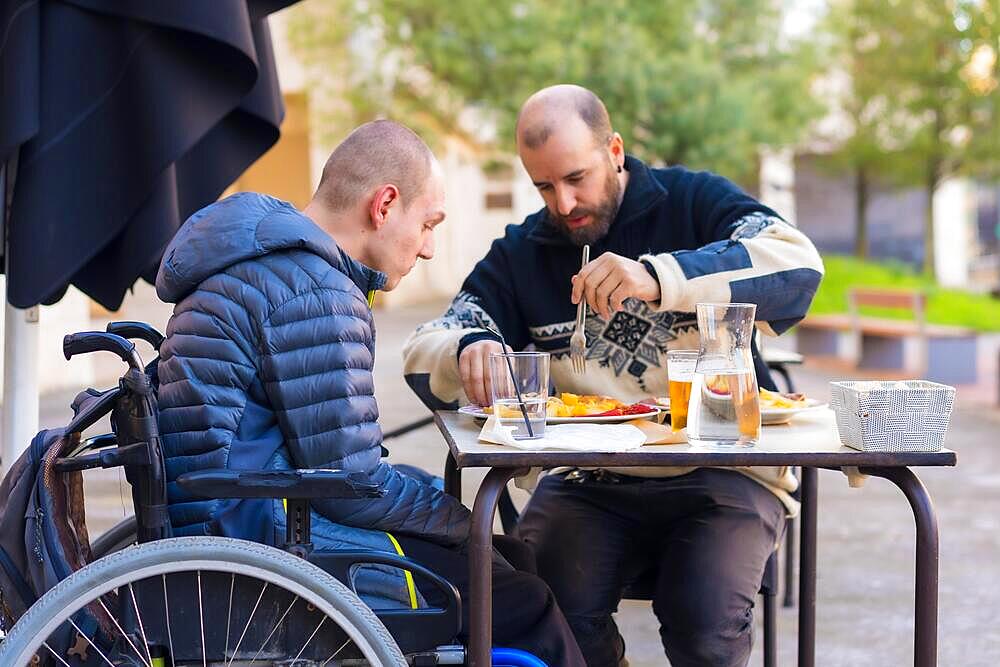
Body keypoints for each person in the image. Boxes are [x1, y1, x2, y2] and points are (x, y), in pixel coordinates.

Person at [403, 86, 825, 667]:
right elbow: (426, 347)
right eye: (544, 186)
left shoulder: (694, 202)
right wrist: (469, 347)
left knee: (704, 623)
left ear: (616, 151)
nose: (564, 202)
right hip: (589, 480)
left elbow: (799, 265)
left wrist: (660, 277)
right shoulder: (523, 251)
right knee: (542, 611)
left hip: (723, 472)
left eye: (577, 176)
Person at [154, 119, 585, 666]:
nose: (429, 248)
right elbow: (351, 483)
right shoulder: (313, 290)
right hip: (264, 541)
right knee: (525, 600)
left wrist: (444, 511)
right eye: (428, 224)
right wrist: (457, 518)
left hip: (238, 511)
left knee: (507, 555)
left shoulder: (263, 263)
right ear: (384, 205)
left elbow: (338, 465)